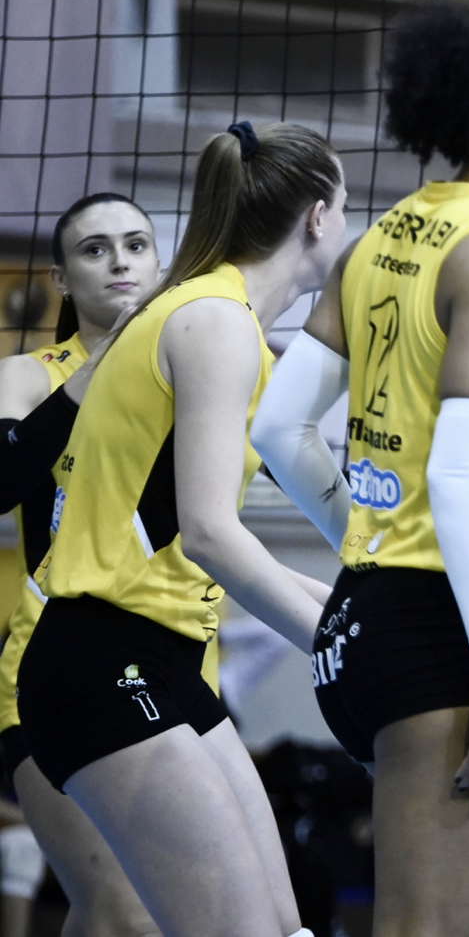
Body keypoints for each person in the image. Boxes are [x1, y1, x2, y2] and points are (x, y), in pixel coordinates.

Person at [252, 5, 469, 937]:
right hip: (447, 641)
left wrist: (369, 545)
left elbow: (280, 430)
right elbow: (458, 474)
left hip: (373, 622)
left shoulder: (376, 242)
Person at [16, 122, 348, 937]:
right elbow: (208, 533)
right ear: (317, 217)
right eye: (344, 206)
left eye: (135, 244)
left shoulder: (233, 330)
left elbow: (203, 536)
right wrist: (346, 652)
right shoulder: (211, 321)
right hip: (99, 655)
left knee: (285, 930)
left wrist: (358, 611)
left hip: (169, 659)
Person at [0, 193, 172, 937]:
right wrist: (100, 368)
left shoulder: (194, 371)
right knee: (122, 906)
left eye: (136, 244)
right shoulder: (28, 374)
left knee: (146, 912)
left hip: (177, 664)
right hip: (54, 668)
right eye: (95, 250)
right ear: (62, 280)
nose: (120, 262)